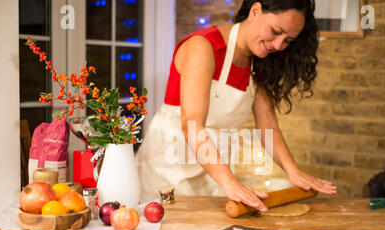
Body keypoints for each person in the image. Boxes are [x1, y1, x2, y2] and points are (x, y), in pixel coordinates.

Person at [136, 0, 337, 212]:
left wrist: (293, 171)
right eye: (276, 31)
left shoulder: (260, 63)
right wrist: (229, 182)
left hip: (215, 173)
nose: (278, 45)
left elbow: (268, 126)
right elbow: (192, 124)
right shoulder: (203, 47)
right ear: (255, 11)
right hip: (168, 169)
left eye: (287, 40)